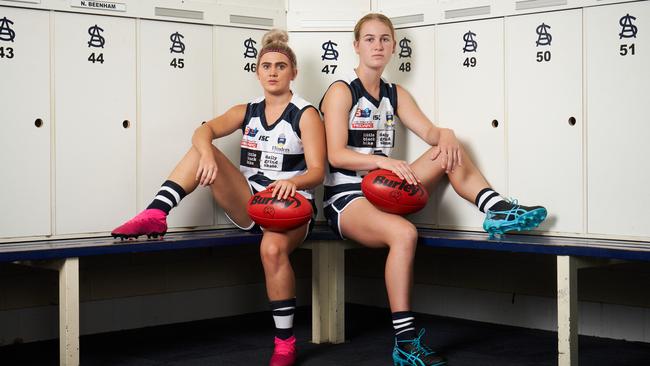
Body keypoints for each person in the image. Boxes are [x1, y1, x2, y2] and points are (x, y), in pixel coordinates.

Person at [319, 13, 547, 366]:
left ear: (394, 46)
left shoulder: (395, 93)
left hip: (383, 188)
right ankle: (405, 343)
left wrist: (447, 134)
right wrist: (382, 162)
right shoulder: (341, 91)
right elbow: (335, 153)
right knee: (404, 234)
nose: (377, 45)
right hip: (347, 199)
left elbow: (431, 134)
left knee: (447, 149)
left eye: (384, 39)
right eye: (369, 39)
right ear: (356, 46)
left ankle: (496, 209)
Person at [112, 29, 326, 366]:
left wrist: (294, 183)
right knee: (202, 148)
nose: (272, 72)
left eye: (281, 66)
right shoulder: (247, 110)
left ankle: (285, 343)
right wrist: (208, 155)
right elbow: (203, 130)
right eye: (266, 65)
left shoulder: (306, 113)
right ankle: (156, 212)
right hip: (250, 201)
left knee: (270, 247)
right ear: (257, 72)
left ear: (293, 73)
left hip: (290, 207)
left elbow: (318, 171)